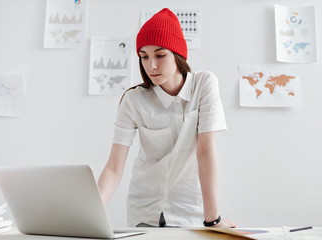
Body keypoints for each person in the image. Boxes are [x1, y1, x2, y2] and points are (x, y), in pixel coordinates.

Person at [98, 8, 236, 228]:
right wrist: (89, 216)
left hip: (191, 210)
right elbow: (114, 167)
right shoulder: (133, 100)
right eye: (144, 57)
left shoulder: (204, 85)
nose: (151, 65)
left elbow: (205, 150)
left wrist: (213, 220)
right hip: (145, 210)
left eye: (160, 55)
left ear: (177, 54)